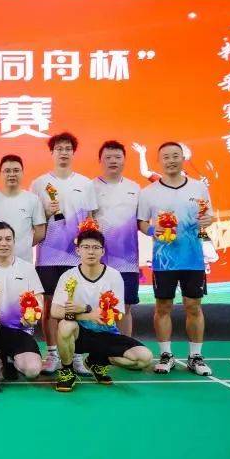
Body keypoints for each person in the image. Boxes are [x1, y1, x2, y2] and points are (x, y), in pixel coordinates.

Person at [138, 142, 214, 376]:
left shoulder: (198, 187)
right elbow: (142, 223)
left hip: (193, 258)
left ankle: (195, 356)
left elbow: (208, 215)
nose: (171, 160)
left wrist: (207, 220)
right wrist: (154, 230)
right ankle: (166, 355)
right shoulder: (148, 192)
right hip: (164, 260)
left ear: (183, 158)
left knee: (194, 306)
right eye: (166, 157)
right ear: (159, 161)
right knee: (163, 307)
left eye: (175, 156)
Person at [51, 230, 153, 392]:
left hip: (107, 333)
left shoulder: (114, 276)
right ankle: (67, 370)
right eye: (86, 247)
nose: (91, 252)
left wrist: (91, 310)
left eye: (95, 247)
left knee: (144, 358)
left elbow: (118, 313)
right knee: (65, 325)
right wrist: (87, 313)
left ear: (103, 251)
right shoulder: (68, 276)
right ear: (78, 250)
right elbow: (55, 311)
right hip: (80, 334)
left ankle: (97, 361)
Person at [30, 132, 97, 375]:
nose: (64, 152)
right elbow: (34, 221)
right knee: (49, 306)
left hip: (76, 257)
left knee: (76, 305)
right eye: (59, 148)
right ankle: (52, 354)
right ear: (52, 152)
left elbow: (91, 220)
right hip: (48, 256)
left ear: (73, 152)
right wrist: (47, 212)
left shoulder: (86, 184)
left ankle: (77, 356)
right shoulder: (39, 184)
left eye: (68, 148)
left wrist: (87, 245)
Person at [0, 222, 45, 393]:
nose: (4, 243)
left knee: (33, 370)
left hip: (20, 330)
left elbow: (38, 298)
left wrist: (33, 316)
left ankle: (8, 360)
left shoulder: (27, 268)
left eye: (8, 239)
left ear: (14, 241)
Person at [92, 141, 141, 336]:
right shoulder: (90, 187)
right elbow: (85, 221)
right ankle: (100, 348)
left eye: (117, 157)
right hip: (98, 261)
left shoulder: (135, 188)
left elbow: (142, 221)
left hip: (128, 260)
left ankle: (125, 346)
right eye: (108, 157)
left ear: (124, 160)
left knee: (125, 308)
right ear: (100, 161)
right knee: (98, 307)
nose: (113, 161)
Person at [0, 154, 46, 264]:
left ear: (22, 173)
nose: (12, 174)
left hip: (23, 262)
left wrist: (23, 245)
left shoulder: (33, 200)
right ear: (0, 173)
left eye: (16, 170)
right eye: (7, 171)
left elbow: (40, 233)